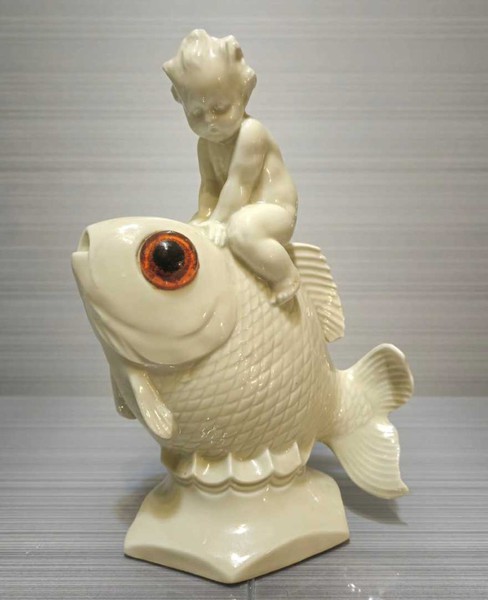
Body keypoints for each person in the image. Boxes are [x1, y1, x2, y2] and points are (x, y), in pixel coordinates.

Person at [163, 29, 300, 305]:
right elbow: (210, 187)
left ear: (243, 95)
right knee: (201, 232)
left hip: (274, 211)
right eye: (196, 113)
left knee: (242, 230)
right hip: (238, 211)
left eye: (220, 108)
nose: (209, 121)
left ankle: (285, 275)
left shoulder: (251, 132)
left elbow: (239, 184)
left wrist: (218, 221)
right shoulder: (205, 144)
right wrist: (203, 218)